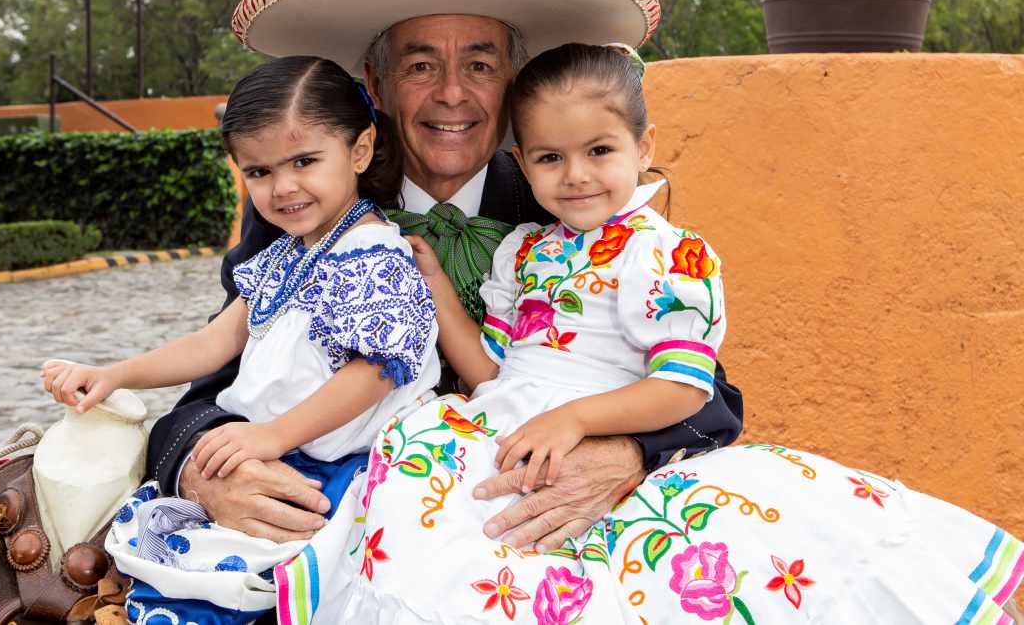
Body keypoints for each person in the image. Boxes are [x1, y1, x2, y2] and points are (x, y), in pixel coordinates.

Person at [277, 43, 1024, 624]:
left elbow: (685, 384)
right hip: (504, 422)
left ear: (644, 143)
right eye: (549, 158)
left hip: (602, 424)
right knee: (444, 541)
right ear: (522, 163)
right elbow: (490, 372)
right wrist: (438, 289)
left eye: (599, 151)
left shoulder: (668, 252)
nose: (575, 175)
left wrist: (575, 420)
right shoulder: (525, 250)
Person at [145, 0, 744, 568]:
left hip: (526, 530)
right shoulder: (305, 208)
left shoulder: (578, 206)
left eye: (481, 65)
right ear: (378, 84)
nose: (453, 94)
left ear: (511, 86)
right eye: (421, 64)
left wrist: (626, 452)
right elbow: (206, 389)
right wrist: (204, 468)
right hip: (339, 528)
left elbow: (710, 396)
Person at [41, 56, 442, 622]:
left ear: (359, 149)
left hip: (328, 469)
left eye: (304, 161)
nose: (283, 188)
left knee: (230, 598)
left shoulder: (373, 254)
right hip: (266, 452)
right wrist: (116, 373)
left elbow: (375, 371)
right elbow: (213, 342)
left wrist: (272, 435)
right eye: (259, 172)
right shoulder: (285, 253)